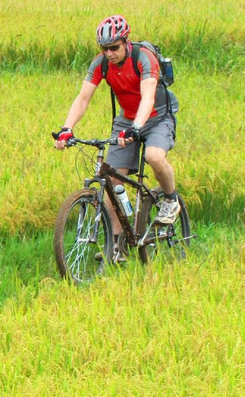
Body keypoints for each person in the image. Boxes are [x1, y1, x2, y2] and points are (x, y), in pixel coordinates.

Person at [53, 15, 181, 253]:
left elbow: (149, 96)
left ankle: (171, 201)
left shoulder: (143, 57)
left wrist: (137, 127)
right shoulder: (101, 63)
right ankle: (116, 245)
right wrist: (66, 128)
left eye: (114, 47)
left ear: (126, 42)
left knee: (153, 155)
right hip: (127, 118)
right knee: (111, 182)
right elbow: (83, 98)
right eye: (105, 48)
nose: (109, 53)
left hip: (158, 115)